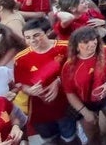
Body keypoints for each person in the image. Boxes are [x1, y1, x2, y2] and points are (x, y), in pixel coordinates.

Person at [14, 17, 78, 145]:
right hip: (40, 112)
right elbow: (20, 84)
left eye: (37, 35)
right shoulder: (21, 58)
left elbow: (77, 72)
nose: (32, 40)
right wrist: (30, 91)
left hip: (65, 107)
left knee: (71, 139)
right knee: (51, 141)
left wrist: (59, 81)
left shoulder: (65, 48)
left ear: (47, 32)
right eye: (28, 37)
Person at [61, 26, 106, 143]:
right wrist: (85, 112)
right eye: (85, 42)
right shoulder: (69, 66)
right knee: (93, 136)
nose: (92, 44)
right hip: (85, 103)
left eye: (94, 39)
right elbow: (70, 93)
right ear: (76, 46)